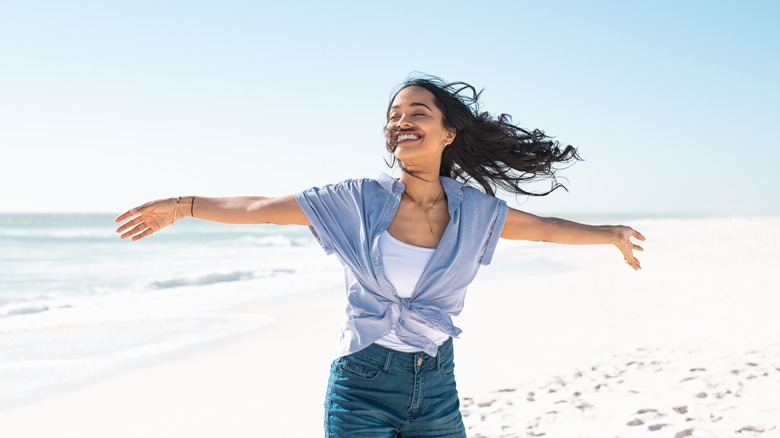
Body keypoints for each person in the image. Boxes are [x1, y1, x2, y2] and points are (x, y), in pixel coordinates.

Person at [115, 75, 645, 437]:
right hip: (362, 382)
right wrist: (184, 206)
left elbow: (543, 229)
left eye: (417, 112)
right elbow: (261, 207)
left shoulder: (475, 211)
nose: (401, 121)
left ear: (448, 132)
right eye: (394, 116)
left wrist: (609, 235)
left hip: (437, 383)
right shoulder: (357, 200)